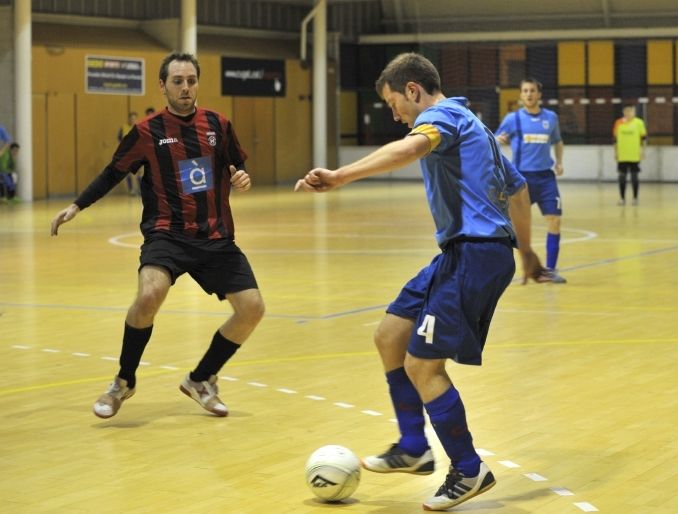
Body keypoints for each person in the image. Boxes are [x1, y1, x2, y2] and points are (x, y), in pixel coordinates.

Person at [295, 52, 540, 511]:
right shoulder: (477, 126)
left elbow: (410, 148)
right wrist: (526, 254)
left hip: (475, 253)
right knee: (390, 335)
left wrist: (340, 175)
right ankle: (413, 447)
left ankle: (469, 470)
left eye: (394, 103)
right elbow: (520, 188)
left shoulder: (440, 117)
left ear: (412, 89)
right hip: (463, 253)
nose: (395, 115)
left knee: (423, 366)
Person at [50, 52, 265, 419]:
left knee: (252, 309)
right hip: (167, 235)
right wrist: (77, 206)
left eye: (191, 81)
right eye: (178, 81)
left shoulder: (218, 123)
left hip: (215, 238)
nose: (186, 88)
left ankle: (200, 379)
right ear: (162, 85)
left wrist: (241, 175)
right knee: (150, 294)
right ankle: (123, 381)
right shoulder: (147, 132)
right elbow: (112, 172)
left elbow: (236, 162)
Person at [496, 78, 567, 284]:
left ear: (539, 94)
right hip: (520, 181)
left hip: (545, 178)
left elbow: (558, 141)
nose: (528, 94)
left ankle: (549, 270)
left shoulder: (551, 118)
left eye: (532, 91)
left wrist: (559, 162)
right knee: (513, 229)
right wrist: (499, 140)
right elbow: (493, 140)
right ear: (520, 95)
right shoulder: (513, 119)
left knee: (554, 220)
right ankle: (520, 266)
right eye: (525, 91)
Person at [613, 104, 647, 206]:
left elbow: (644, 139)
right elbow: (615, 140)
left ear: (634, 112)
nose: (629, 113)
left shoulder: (639, 123)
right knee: (622, 178)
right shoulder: (618, 123)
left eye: (631, 111)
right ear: (624, 112)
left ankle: (635, 198)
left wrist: (643, 152)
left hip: (634, 155)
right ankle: (622, 198)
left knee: (634, 177)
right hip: (622, 155)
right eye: (627, 111)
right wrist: (615, 152)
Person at [118, 111, 142, 195]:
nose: (133, 120)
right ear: (129, 119)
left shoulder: (139, 127)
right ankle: (131, 190)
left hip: (138, 153)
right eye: (131, 118)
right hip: (127, 153)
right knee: (128, 173)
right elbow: (120, 140)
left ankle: (141, 190)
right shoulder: (123, 128)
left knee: (139, 172)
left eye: (135, 118)